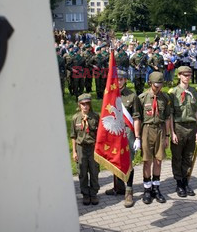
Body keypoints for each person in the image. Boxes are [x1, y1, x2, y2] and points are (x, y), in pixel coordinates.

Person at [105, 70, 142, 208]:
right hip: (114, 131)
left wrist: (137, 137)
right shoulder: (109, 94)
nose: (118, 81)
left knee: (128, 162)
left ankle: (129, 191)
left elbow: (137, 118)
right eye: (116, 79)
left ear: (125, 80)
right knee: (115, 159)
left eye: (121, 79)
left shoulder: (132, 96)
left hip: (127, 132)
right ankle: (118, 187)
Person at [137, 72, 172, 204]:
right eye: (156, 85)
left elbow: (168, 117)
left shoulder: (164, 98)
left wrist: (167, 135)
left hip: (160, 130)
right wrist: (138, 137)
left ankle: (156, 188)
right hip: (146, 129)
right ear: (150, 83)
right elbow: (138, 119)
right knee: (147, 160)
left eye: (160, 85)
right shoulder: (142, 98)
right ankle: (147, 189)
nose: (158, 88)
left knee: (158, 160)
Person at [168, 66, 197, 197]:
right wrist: (172, 132)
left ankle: (186, 181)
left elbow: (196, 112)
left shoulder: (194, 91)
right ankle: (179, 183)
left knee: (188, 156)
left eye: (189, 75)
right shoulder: (173, 92)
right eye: (185, 75)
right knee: (177, 157)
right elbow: (170, 114)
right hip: (179, 127)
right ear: (179, 76)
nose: (187, 77)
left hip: (192, 127)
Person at [70, 94, 100, 205]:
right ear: (79, 105)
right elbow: (73, 136)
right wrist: (74, 151)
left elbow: (100, 134)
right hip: (81, 148)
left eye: (87, 104)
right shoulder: (75, 118)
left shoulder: (95, 117)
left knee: (94, 171)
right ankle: (85, 194)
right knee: (82, 172)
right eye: (83, 104)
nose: (85, 106)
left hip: (92, 148)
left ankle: (93, 193)